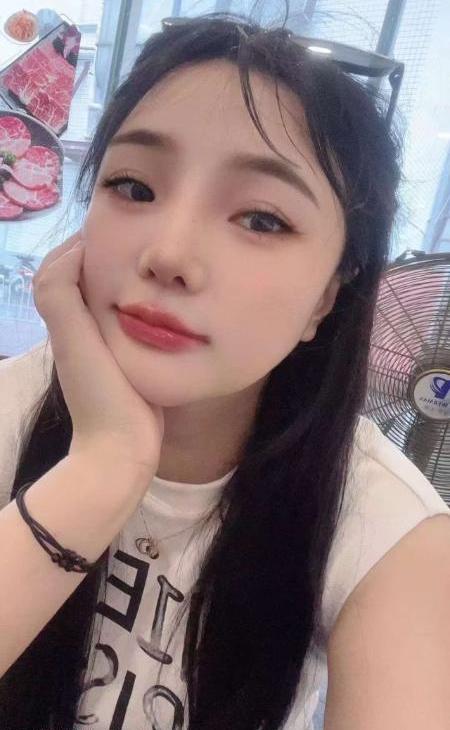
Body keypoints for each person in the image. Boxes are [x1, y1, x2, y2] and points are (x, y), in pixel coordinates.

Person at [0, 9, 449, 730]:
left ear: (328, 296)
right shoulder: (13, 405)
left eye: (262, 219)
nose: (169, 254)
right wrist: (103, 467)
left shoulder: (391, 535)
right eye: (134, 187)